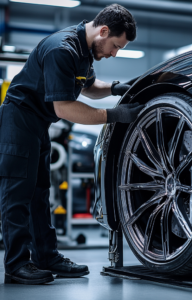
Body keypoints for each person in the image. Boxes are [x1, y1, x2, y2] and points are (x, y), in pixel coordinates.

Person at [0, 4, 143, 285]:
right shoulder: (61, 50)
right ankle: (16, 265)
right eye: (116, 46)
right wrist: (115, 115)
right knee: (18, 193)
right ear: (103, 31)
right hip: (18, 120)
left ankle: (46, 256)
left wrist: (116, 88)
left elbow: (87, 86)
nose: (115, 53)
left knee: (40, 193)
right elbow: (64, 108)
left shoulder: (84, 52)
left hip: (38, 123)